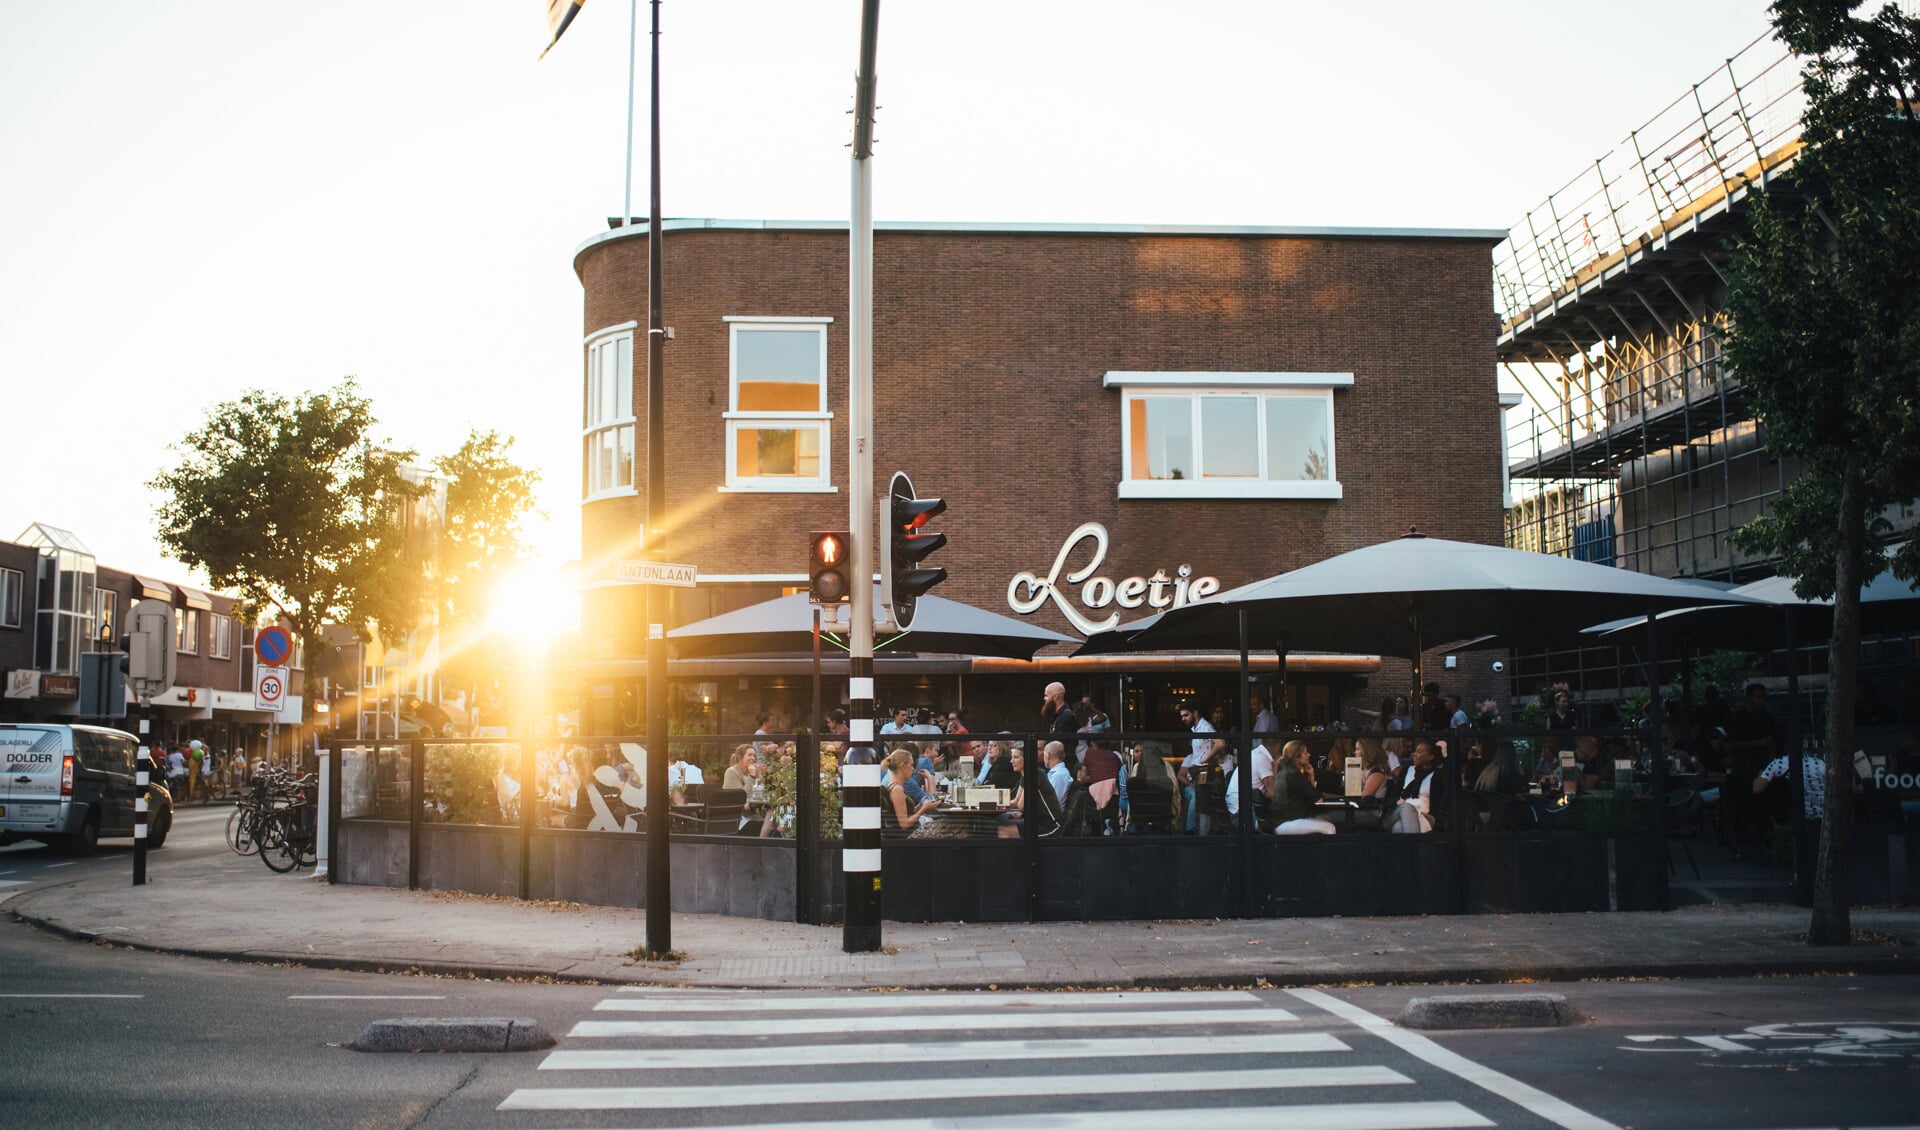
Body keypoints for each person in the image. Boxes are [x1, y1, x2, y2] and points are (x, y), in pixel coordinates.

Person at [1177, 700, 1225, 835]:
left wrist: (1205, 759)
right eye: (1182, 716)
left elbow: (1220, 743)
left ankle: (1204, 838)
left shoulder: (1205, 727)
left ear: (1195, 713)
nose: (1183, 719)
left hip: (1206, 772)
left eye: (1186, 715)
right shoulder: (1196, 729)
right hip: (1200, 772)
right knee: (1203, 807)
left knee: (1204, 808)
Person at [1271, 740, 1336, 834]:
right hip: (1287, 822)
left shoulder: (1283, 771)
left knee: (1325, 818)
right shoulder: (1295, 775)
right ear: (1296, 758)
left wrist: (1311, 775)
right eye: (1305, 753)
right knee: (1330, 828)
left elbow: (1312, 794)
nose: (1309, 755)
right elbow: (1317, 799)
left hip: (1281, 820)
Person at [1390, 741, 1442, 834]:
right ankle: (1414, 844)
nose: (1414, 754)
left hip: (1424, 815)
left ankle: (1411, 845)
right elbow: (1395, 794)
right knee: (1407, 807)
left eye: (1419, 752)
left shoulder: (1437, 775)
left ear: (1431, 756)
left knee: (1398, 828)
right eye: (1415, 751)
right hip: (1399, 810)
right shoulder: (1407, 770)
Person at [881, 749, 935, 836]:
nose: (913, 769)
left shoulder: (895, 785)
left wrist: (921, 805)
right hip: (909, 837)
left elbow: (906, 812)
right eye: (911, 765)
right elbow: (904, 824)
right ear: (903, 766)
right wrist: (923, 809)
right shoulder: (897, 789)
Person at [1226, 734, 1276, 828]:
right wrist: (1276, 764)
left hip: (1234, 812)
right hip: (1241, 816)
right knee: (1280, 823)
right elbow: (1272, 794)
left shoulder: (1254, 754)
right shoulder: (1262, 758)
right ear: (1277, 746)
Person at [1042, 682, 1078, 771]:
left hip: (1063, 765)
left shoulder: (1066, 717)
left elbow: (1060, 744)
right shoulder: (1057, 716)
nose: (1044, 698)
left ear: (1055, 697)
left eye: (1047, 695)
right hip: (1057, 763)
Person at [1043, 741, 1072, 808]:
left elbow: (1051, 802)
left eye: (1044, 755)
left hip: (1052, 816)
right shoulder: (1057, 773)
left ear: (1048, 755)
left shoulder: (1059, 775)